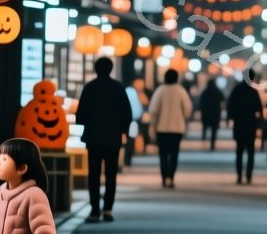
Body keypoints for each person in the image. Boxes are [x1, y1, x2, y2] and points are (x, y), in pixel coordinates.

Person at [74, 57, 133, 223]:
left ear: (95, 69)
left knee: (93, 174)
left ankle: (94, 209)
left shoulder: (90, 88)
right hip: (113, 139)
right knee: (110, 174)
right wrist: (123, 131)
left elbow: (80, 116)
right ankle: (108, 209)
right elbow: (127, 114)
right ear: (111, 69)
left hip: (93, 138)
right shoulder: (118, 88)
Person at [146, 70, 193, 188]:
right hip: (177, 128)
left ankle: (164, 177)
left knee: (163, 154)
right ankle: (171, 177)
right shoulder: (181, 90)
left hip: (162, 128)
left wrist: (152, 126)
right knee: (174, 153)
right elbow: (188, 109)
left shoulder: (160, 90)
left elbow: (153, 109)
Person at [227, 72, 263, 184]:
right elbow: (259, 108)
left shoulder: (236, 90)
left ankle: (239, 175)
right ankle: (249, 175)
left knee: (239, 150)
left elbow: (230, 106)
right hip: (251, 125)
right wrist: (259, 124)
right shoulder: (253, 91)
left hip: (239, 124)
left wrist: (230, 119)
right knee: (251, 152)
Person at [198, 77, 225, 150]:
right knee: (214, 130)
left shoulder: (205, 92)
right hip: (215, 114)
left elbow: (201, 103)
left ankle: (203, 137)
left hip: (206, 113)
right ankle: (212, 144)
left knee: (205, 127)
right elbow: (222, 101)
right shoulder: (218, 92)